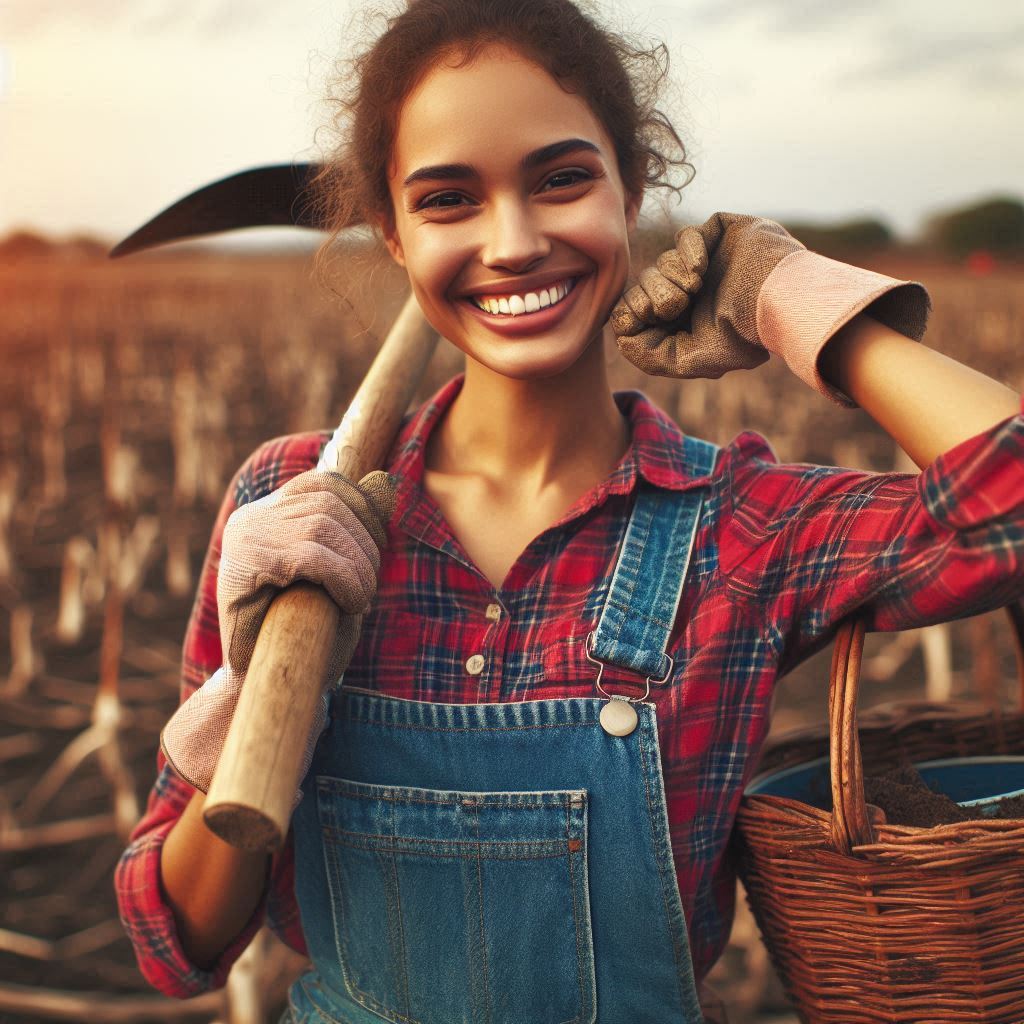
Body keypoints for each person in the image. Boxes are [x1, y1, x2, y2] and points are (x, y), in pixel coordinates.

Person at [115, 1, 1024, 1021]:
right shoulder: (293, 507)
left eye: (560, 180)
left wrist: (792, 297)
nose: (512, 241)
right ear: (394, 236)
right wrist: (252, 686)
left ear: (631, 194)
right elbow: (172, 942)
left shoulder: (741, 527)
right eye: (448, 199)